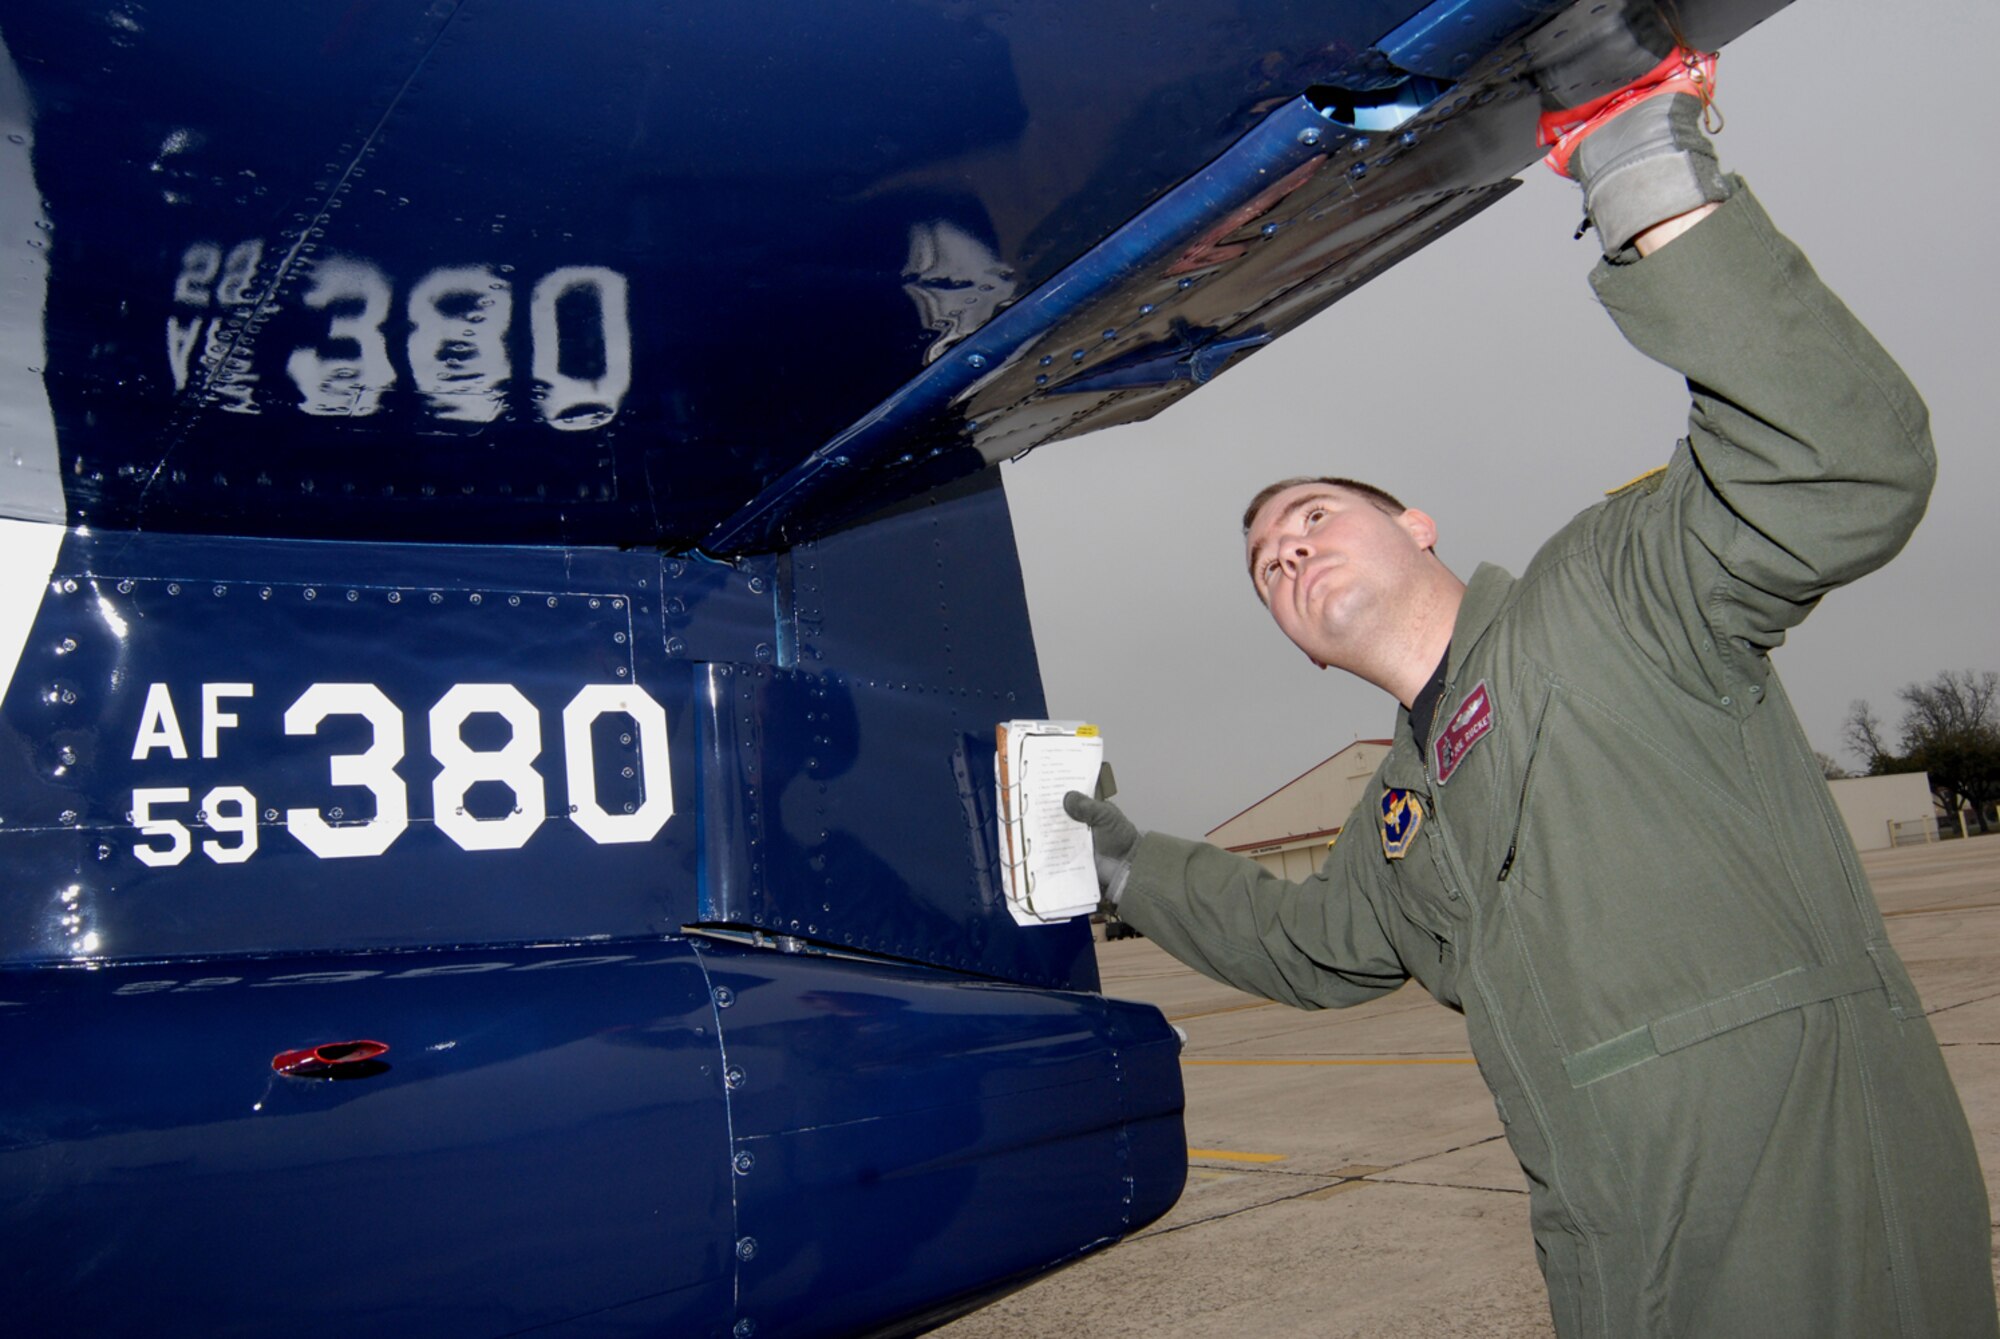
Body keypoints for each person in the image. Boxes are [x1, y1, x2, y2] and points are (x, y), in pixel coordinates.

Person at [1065, 49, 1998, 1339]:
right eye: (1267, 570)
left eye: (1314, 517)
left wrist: (1642, 170)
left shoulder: (1608, 592)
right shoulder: (1400, 810)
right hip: (1614, 1252)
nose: (1289, 555)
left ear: (1420, 526)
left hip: (1806, 1205)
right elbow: (1303, 945)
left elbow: (1841, 465)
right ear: (1298, 646)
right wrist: (1111, 859)